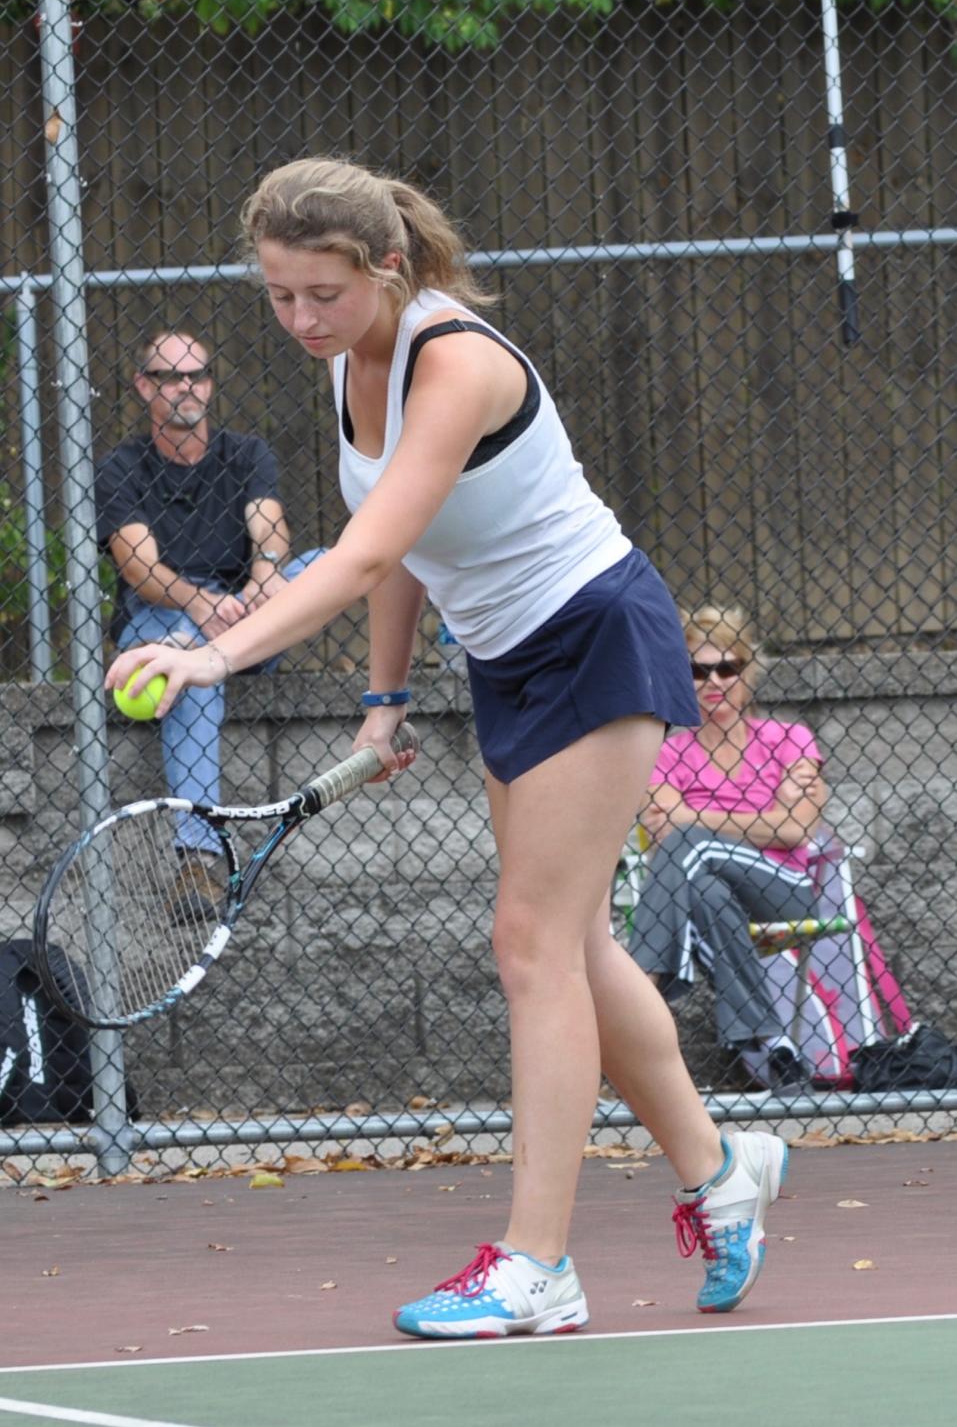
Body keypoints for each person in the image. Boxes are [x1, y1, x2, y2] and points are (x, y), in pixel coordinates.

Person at [106, 158, 791, 1336]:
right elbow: (410, 550)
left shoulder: (457, 359)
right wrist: (382, 699)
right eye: (278, 294)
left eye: (322, 293)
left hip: (594, 635)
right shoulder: (345, 367)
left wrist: (213, 656)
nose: (302, 318)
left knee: (527, 946)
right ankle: (721, 1167)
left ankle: (539, 1265)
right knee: (569, 941)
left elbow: (365, 553)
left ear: (383, 267)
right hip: (505, 659)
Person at [95, 329, 323, 919]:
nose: (186, 388)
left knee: (326, 565)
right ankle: (197, 864)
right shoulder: (121, 468)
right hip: (162, 618)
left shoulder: (246, 453)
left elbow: (268, 524)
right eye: (171, 378)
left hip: (245, 614)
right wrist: (199, 609)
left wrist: (264, 577)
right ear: (145, 387)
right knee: (189, 675)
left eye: (197, 375)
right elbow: (139, 566)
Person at [628, 606, 827, 1094]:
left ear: (746, 672)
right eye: (697, 670)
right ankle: (775, 1045)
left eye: (726, 667)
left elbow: (798, 829)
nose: (713, 680)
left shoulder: (789, 738)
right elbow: (661, 835)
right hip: (705, 891)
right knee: (708, 891)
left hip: (787, 887)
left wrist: (694, 818)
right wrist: (764, 821)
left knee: (690, 847)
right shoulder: (667, 751)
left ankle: (638, 992)